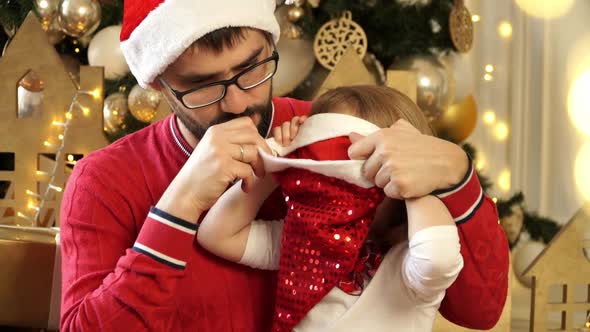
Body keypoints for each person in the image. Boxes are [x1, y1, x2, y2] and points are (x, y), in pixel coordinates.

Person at [59, 0, 509, 330]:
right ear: (159, 85)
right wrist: (180, 204)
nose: (238, 103)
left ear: (271, 43)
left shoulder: (333, 134)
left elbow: (480, 311)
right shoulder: (105, 180)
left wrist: (456, 174)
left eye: (252, 69)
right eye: (201, 86)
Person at [197, 85, 465, 332]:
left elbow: (438, 259)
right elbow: (217, 235)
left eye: (356, 168)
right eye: (320, 162)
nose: (335, 183)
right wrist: (274, 163)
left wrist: (415, 183)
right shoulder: (303, 241)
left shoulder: (408, 258)